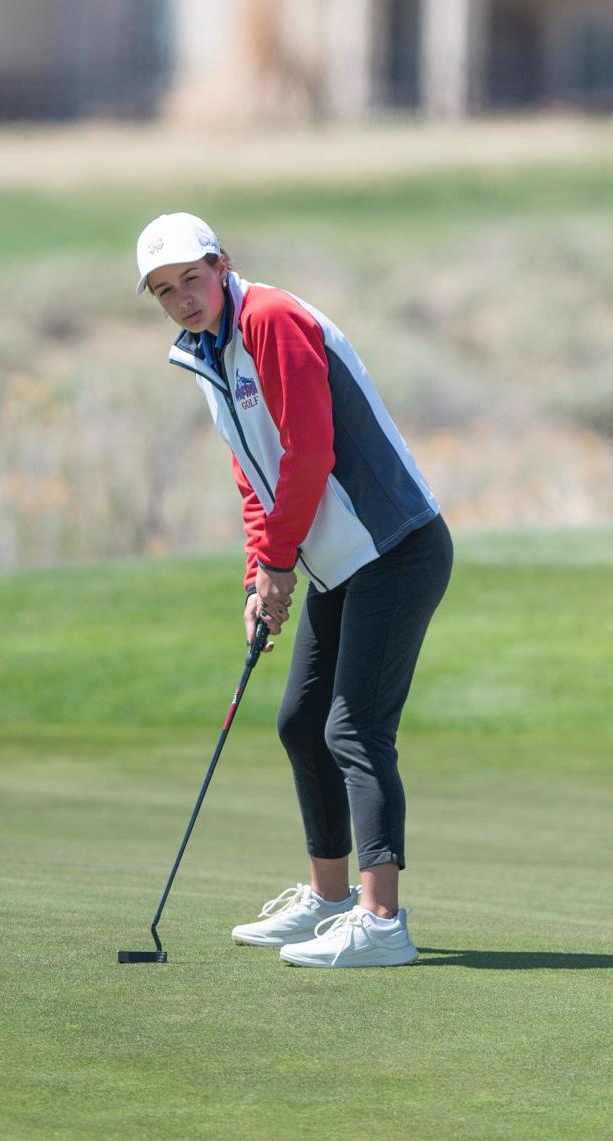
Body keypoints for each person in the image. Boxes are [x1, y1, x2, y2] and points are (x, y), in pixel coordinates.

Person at [135, 212, 452, 969]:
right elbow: (256, 473)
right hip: (338, 562)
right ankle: (331, 900)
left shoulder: (271, 320)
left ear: (221, 264)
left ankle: (382, 924)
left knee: (355, 730)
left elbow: (311, 453)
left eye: (190, 278)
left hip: (395, 548)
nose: (182, 298)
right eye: (163, 290)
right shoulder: (206, 353)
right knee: (301, 722)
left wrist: (280, 564)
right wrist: (259, 576)